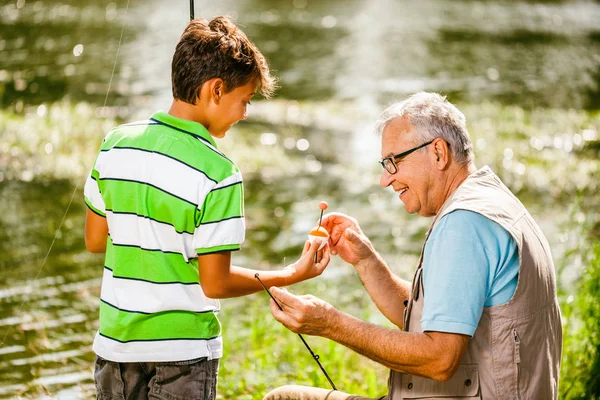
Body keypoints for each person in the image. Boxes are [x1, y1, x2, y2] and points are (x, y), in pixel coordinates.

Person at [83, 16, 330, 400]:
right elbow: (215, 282)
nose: (245, 113)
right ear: (216, 89)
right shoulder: (220, 173)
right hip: (184, 355)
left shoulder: (115, 143)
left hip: (116, 348)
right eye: (244, 100)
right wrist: (290, 274)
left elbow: (96, 241)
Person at [263, 92, 562, 400]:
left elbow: (440, 359)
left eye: (394, 161)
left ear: (438, 153)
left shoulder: (464, 224)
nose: (385, 179)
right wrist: (366, 260)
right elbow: (442, 315)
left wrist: (330, 323)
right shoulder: (491, 199)